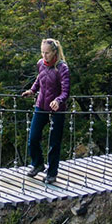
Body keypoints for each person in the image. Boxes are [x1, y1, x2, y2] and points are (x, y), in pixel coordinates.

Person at [21, 38, 70, 184]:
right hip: (41, 105)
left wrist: (58, 100)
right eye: (42, 52)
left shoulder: (62, 68)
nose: (44, 56)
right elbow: (40, 79)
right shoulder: (40, 64)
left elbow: (66, 91)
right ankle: (38, 164)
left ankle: (52, 173)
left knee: (54, 142)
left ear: (54, 52)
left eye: (47, 53)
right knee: (33, 138)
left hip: (57, 109)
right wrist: (32, 90)